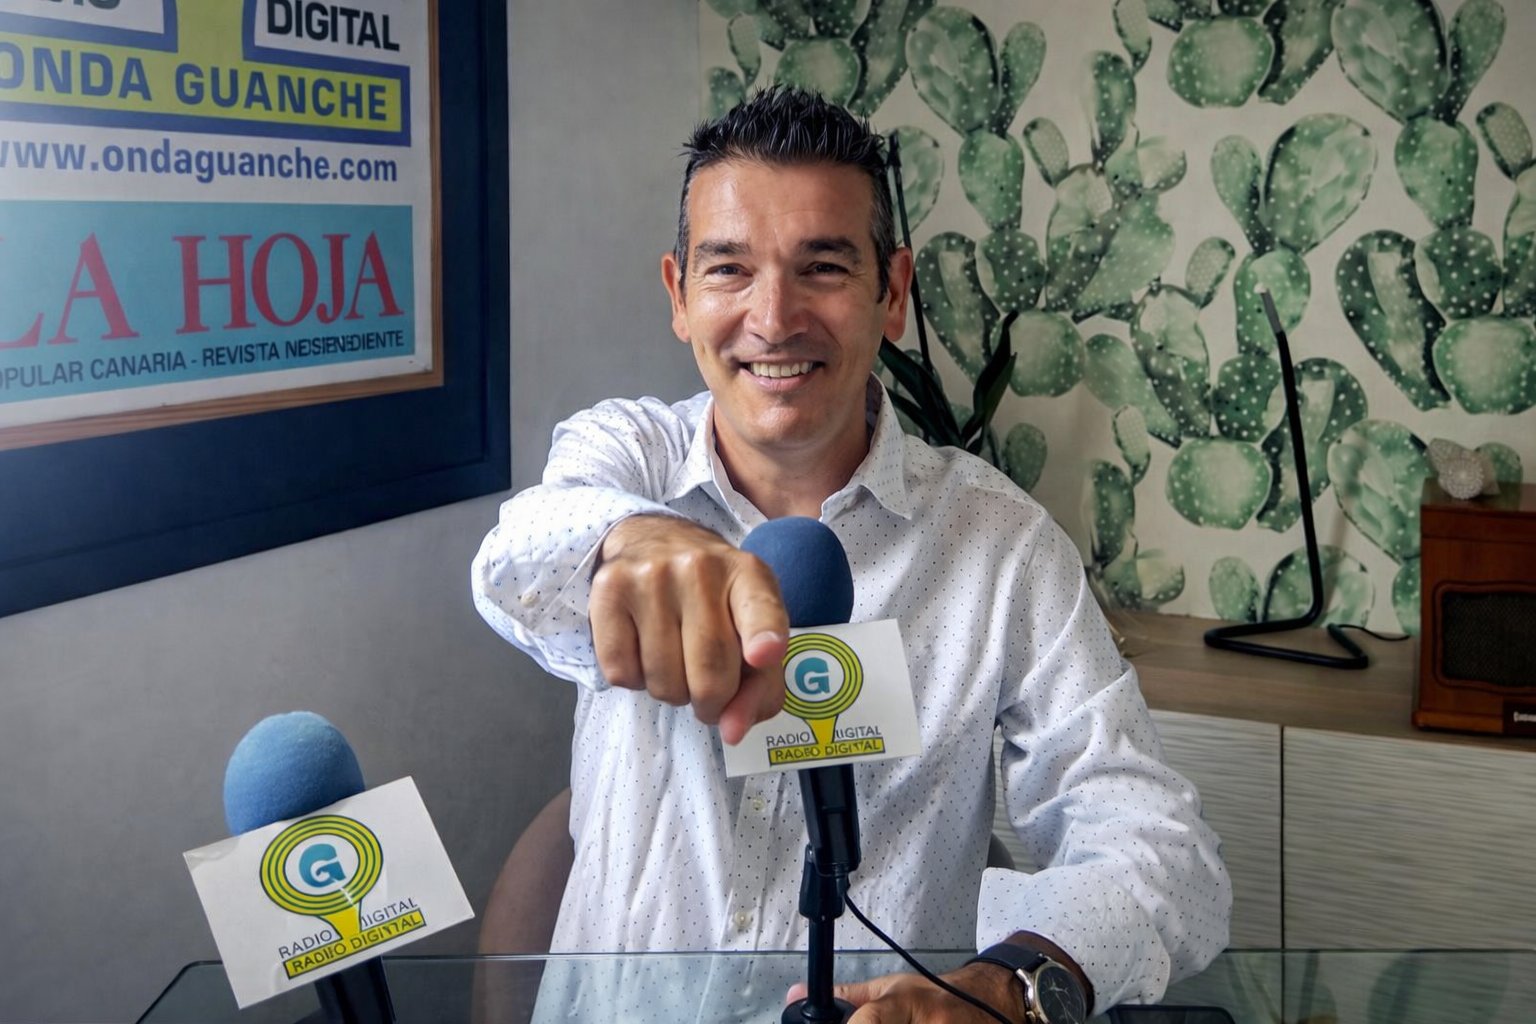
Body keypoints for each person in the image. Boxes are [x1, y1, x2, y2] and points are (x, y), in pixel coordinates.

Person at [472, 86, 1230, 1022]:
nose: (773, 317)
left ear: (893, 293)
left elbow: (1161, 848)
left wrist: (1011, 987)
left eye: (823, 268)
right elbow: (517, 559)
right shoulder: (625, 459)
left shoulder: (1001, 546)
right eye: (729, 270)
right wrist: (631, 540)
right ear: (679, 296)